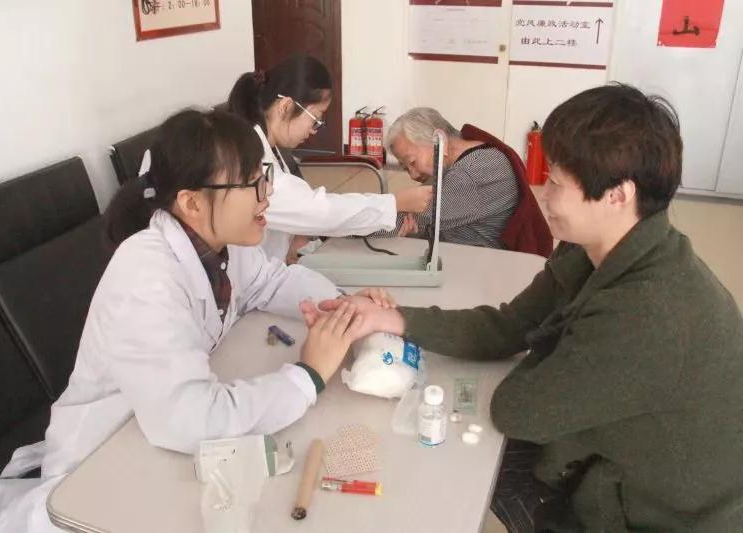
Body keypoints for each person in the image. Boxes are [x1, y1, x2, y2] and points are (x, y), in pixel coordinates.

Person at [303, 85, 743, 531]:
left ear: (618, 195)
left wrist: (549, 346)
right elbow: (510, 325)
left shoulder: (649, 314)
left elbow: (518, 409)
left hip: (664, 516)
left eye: (557, 182)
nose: (543, 194)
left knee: (475, 458)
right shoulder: (590, 248)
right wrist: (395, 319)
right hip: (616, 463)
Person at [0, 109, 392, 532]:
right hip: (103, 464)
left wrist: (341, 305)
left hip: (161, 434)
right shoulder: (146, 274)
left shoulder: (223, 243)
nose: (267, 196)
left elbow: (271, 280)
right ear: (191, 202)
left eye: (265, 177)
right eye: (252, 184)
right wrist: (308, 375)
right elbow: (190, 419)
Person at [226, 53, 434, 262]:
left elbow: (298, 210)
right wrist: (394, 203)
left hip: (275, 264)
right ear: (286, 107)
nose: (314, 130)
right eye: (315, 119)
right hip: (261, 272)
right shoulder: (248, 157)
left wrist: (294, 237)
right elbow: (316, 211)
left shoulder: (269, 146)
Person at [378, 107, 519, 249]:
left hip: (475, 258)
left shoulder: (468, 174)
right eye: (405, 168)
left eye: (412, 162)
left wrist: (388, 206)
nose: (413, 175)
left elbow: (391, 224)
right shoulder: (479, 155)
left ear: (441, 140)